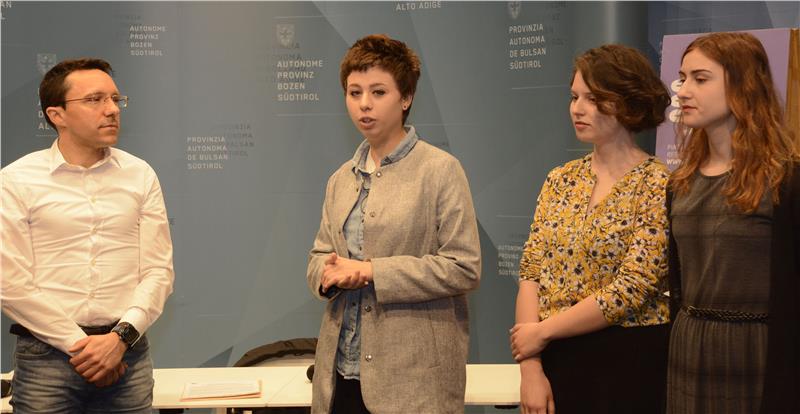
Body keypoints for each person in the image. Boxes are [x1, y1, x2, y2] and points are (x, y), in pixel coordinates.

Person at [306, 34, 481, 414]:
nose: (364, 104)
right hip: (340, 375)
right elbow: (319, 255)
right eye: (354, 93)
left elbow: (463, 267)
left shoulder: (440, 170)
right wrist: (328, 273)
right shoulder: (340, 179)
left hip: (413, 382)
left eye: (378, 92)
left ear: (406, 98)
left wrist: (372, 271)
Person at [1, 58, 174, 413]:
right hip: (46, 358)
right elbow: (10, 283)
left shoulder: (140, 175)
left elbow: (158, 271)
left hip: (127, 353)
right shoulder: (16, 180)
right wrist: (84, 348)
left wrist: (119, 340)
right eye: (95, 100)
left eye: (115, 99)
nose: (112, 110)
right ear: (57, 115)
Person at [511, 44, 672, 414]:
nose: (577, 109)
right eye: (574, 97)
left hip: (628, 360)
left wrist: (542, 332)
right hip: (554, 358)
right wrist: (530, 368)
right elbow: (531, 272)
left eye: (594, 99)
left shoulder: (658, 183)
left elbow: (633, 287)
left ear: (628, 102)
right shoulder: (560, 179)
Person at [667, 31, 799, 414]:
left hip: (757, 352)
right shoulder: (680, 183)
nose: (683, 91)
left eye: (700, 79)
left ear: (743, 86)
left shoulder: (785, 180)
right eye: (682, 78)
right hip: (688, 346)